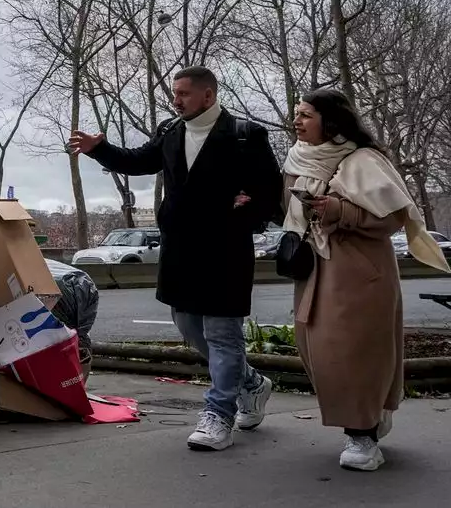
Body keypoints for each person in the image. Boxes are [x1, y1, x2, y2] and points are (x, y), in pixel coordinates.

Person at [69, 66, 282, 451]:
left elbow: (269, 191)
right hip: (180, 248)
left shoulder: (245, 135)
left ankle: (219, 414)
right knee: (189, 327)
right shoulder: (170, 130)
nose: (175, 99)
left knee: (222, 333)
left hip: (226, 249)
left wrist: (241, 215)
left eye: (183, 93)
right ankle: (251, 382)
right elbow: (139, 161)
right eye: (174, 92)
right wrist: (98, 148)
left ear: (208, 95)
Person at [283, 88, 450, 472]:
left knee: (353, 352)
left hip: (358, 272)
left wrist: (340, 210)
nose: (297, 121)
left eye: (306, 114)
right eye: (297, 114)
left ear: (331, 120)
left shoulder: (364, 160)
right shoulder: (297, 160)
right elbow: (287, 211)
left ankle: (363, 434)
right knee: (317, 352)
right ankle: (368, 416)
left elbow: (392, 216)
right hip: (313, 270)